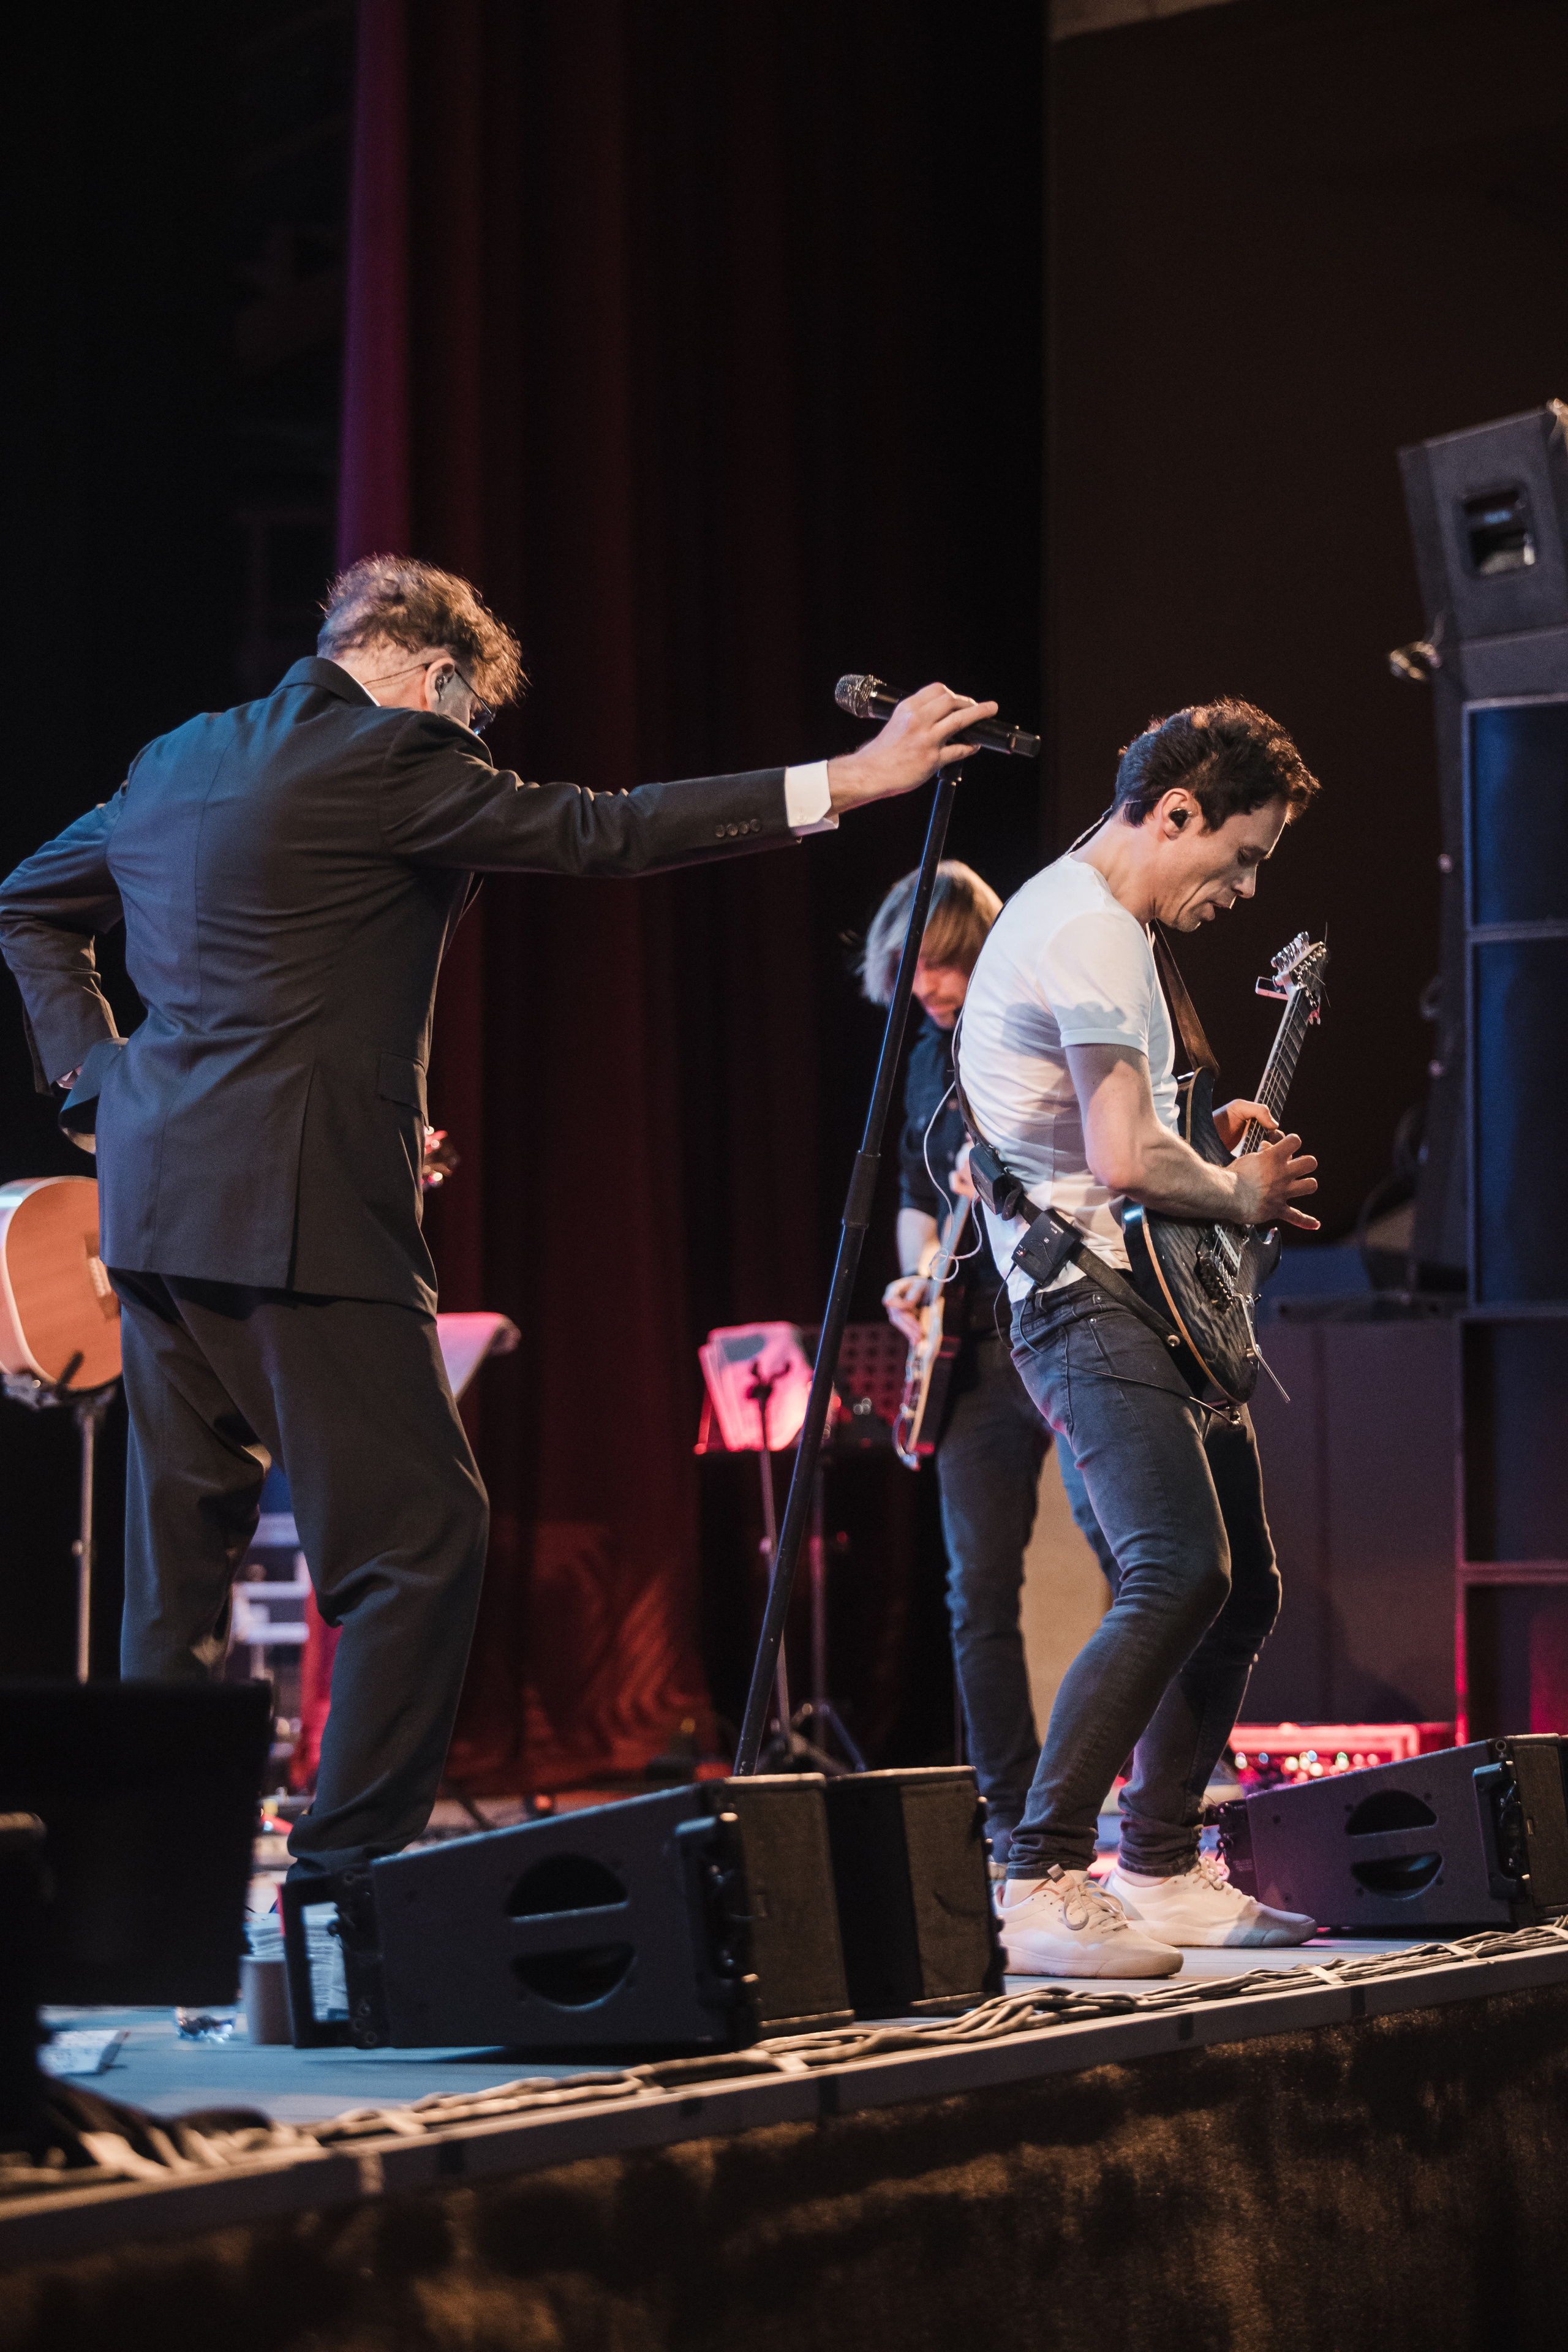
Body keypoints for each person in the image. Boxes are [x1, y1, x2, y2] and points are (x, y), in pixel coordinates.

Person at [0, 554, 995, 1884]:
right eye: (473, 725)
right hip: (297, 1213)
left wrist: (102, 1080)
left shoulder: (179, 756)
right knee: (420, 1545)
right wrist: (850, 780)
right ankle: (343, 1886)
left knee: (177, 1575)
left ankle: (141, 1886)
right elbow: (607, 830)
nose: (473, 757)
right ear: (437, 676)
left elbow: (35, 902)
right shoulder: (393, 752)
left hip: (159, 1215)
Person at [956, 699, 1322, 1976]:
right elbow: (1116, 1161)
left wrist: (1199, 1152)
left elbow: (1121, 1134)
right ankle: (1042, 1873)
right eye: (1238, 855)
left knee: (1239, 1587)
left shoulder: (1095, 925)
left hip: (1134, 1292)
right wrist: (1234, 1194)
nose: (1244, 885)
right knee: (1177, 1568)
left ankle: (1158, 1864)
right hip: (1081, 1301)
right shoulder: (1088, 930)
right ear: (1173, 813)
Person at [866, 861, 1115, 1874]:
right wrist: (914, 1276)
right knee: (977, 1593)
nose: (926, 986)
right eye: (911, 969)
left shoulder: (1030, 1029)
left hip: (1059, 1322)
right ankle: (1015, 1819)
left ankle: (1161, 1796)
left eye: (942, 964)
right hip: (966, 1355)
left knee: (1138, 1560)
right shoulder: (924, 1055)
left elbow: (1098, 1147)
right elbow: (914, 1192)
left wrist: (1009, 1165)